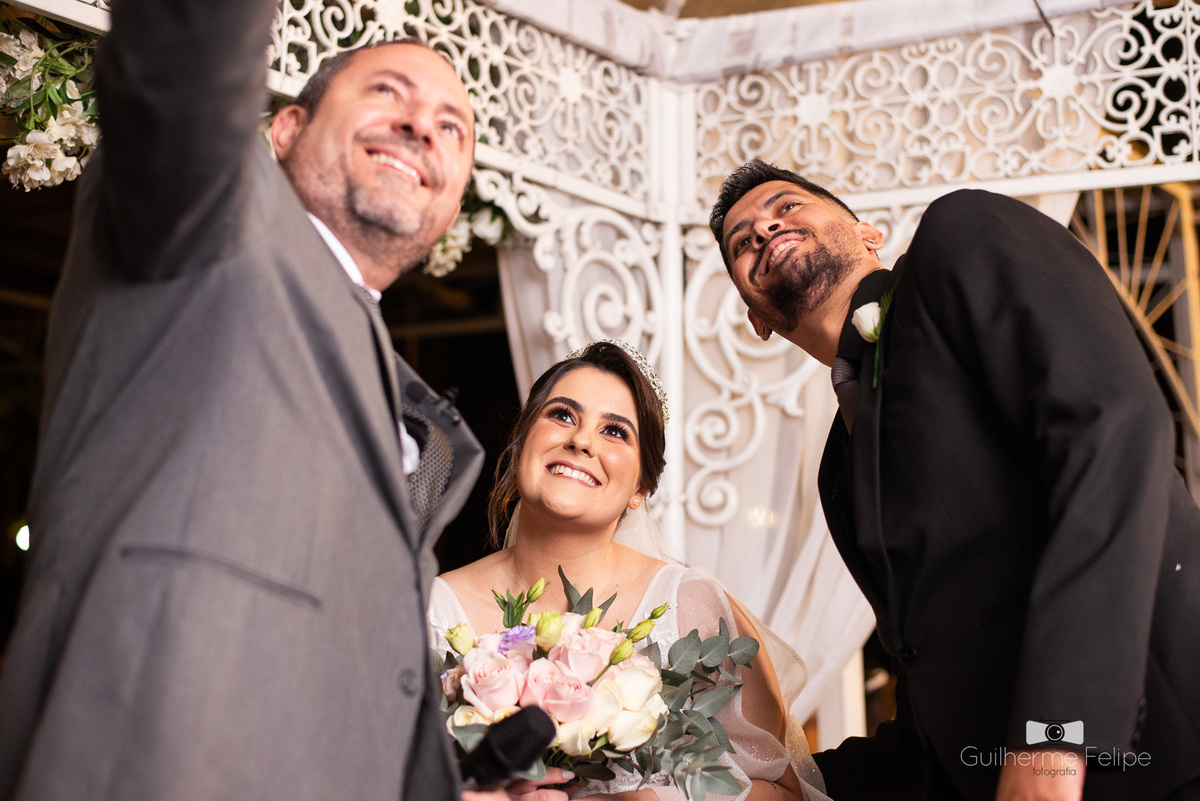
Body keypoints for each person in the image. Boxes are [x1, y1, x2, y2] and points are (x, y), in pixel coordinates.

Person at [0, 1, 491, 799]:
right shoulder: (207, 219)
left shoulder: (415, 411)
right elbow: (179, 59)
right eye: (387, 93)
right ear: (285, 129)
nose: (421, 128)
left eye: (453, 128)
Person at [708, 159, 1200, 801]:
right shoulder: (838, 471)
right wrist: (774, 783)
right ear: (756, 319)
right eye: (741, 242)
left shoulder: (959, 236)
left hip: (1160, 752)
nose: (765, 228)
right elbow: (932, 700)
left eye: (787, 206)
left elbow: (1112, 433)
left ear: (867, 233)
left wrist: (1056, 736)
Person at [426, 340, 829, 801]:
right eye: (562, 415)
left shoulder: (690, 608)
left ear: (642, 487)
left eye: (615, 431)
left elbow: (784, 793)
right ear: (520, 443)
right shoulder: (431, 613)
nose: (581, 440)